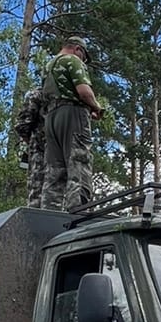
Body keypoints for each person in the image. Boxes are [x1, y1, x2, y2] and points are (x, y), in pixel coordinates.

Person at [40, 36, 103, 210]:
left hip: (51, 117)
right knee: (79, 163)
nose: (83, 60)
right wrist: (97, 107)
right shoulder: (72, 60)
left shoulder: (48, 67)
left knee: (54, 172)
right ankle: (79, 215)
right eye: (84, 56)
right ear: (78, 49)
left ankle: (49, 214)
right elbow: (84, 92)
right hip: (72, 115)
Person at [14, 84, 48, 206]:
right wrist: (34, 142)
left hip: (58, 152)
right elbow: (22, 125)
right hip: (40, 151)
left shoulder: (66, 94)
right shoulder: (37, 94)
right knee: (38, 194)